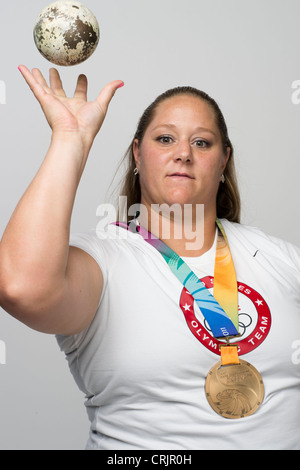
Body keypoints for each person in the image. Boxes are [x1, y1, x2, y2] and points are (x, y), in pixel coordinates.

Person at [0, 65, 299, 450]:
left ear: (223, 161)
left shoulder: (281, 258)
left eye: (202, 143)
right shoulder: (105, 260)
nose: (183, 154)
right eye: (165, 138)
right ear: (137, 154)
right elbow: (20, 287)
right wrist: (70, 140)